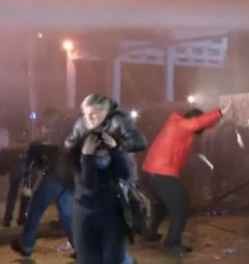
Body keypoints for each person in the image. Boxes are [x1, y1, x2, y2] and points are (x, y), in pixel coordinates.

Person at [141, 104, 227, 256]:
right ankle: (172, 243)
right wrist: (219, 113)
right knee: (181, 206)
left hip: (151, 172)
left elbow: (201, 125)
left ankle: (150, 234)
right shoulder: (178, 124)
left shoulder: (182, 129)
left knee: (161, 206)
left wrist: (215, 120)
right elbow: (197, 123)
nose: (201, 132)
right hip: (161, 172)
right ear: (193, 119)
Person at [70, 96, 134, 264]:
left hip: (112, 211)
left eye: (98, 114)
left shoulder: (115, 140)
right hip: (86, 213)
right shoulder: (75, 144)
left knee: (114, 258)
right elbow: (87, 184)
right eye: (89, 114)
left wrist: (114, 149)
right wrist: (87, 156)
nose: (93, 119)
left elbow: (125, 174)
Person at [9, 142, 75, 258]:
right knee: (66, 216)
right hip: (70, 179)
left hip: (55, 176)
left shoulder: (32, 150)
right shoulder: (53, 149)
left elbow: (29, 170)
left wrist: (27, 187)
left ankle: (26, 245)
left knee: (36, 209)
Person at [1, 146, 30, 227]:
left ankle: (8, 219)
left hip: (18, 161)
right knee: (26, 192)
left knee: (13, 193)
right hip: (26, 161)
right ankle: (21, 218)